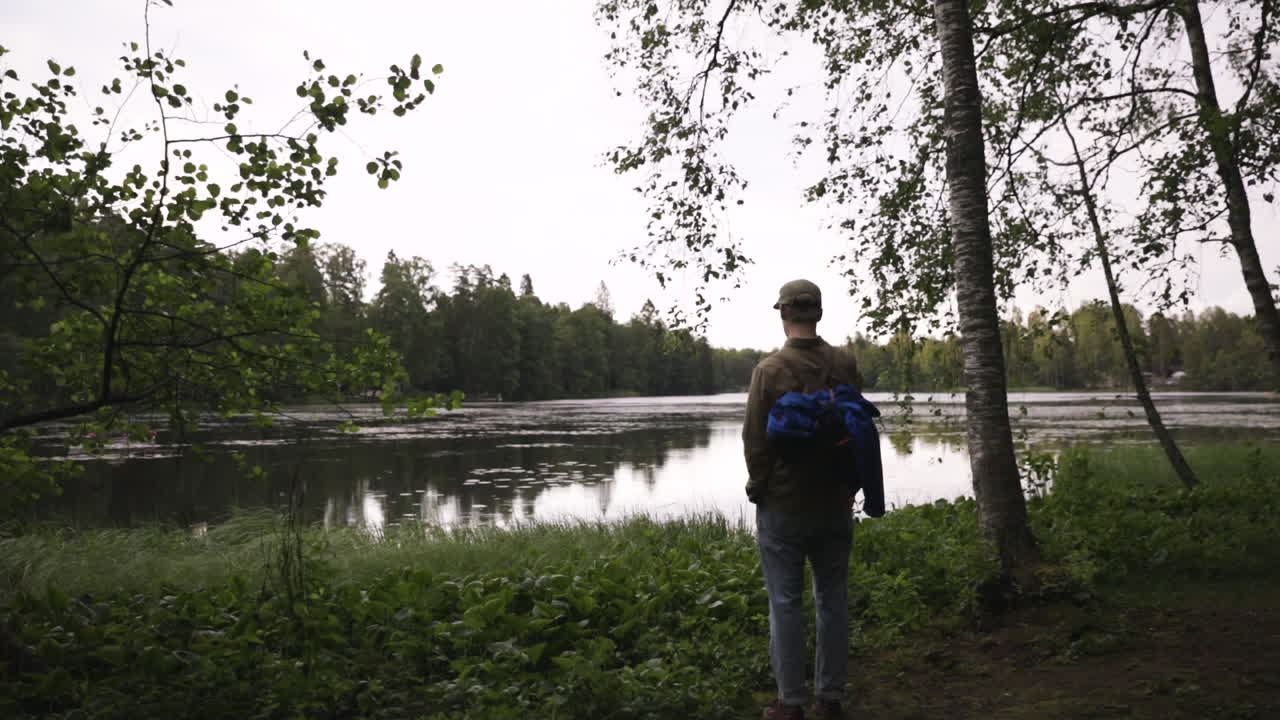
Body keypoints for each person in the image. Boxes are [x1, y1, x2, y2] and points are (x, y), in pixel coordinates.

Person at [743, 279, 863, 720]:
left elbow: (755, 440)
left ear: (784, 313)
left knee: (785, 603)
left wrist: (758, 487)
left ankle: (789, 704)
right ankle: (829, 699)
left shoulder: (769, 370)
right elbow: (856, 426)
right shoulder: (845, 363)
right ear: (819, 313)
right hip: (835, 501)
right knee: (833, 599)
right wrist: (852, 486)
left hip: (784, 505)